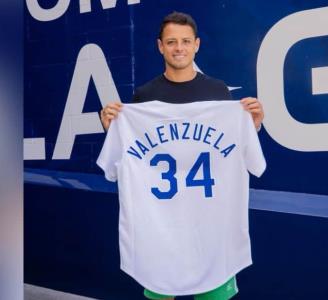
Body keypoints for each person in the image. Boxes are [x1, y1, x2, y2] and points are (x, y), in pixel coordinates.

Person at [100, 11, 264, 300]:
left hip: (212, 231)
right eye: (172, 41)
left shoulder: (217, 91)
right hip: (160, 230)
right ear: (160, 46)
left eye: (185, 41)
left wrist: (252, 127)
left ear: (197, 45)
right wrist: (112, 130)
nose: (179, 48)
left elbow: (235, 152)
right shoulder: (144, 96)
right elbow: (127, 159)